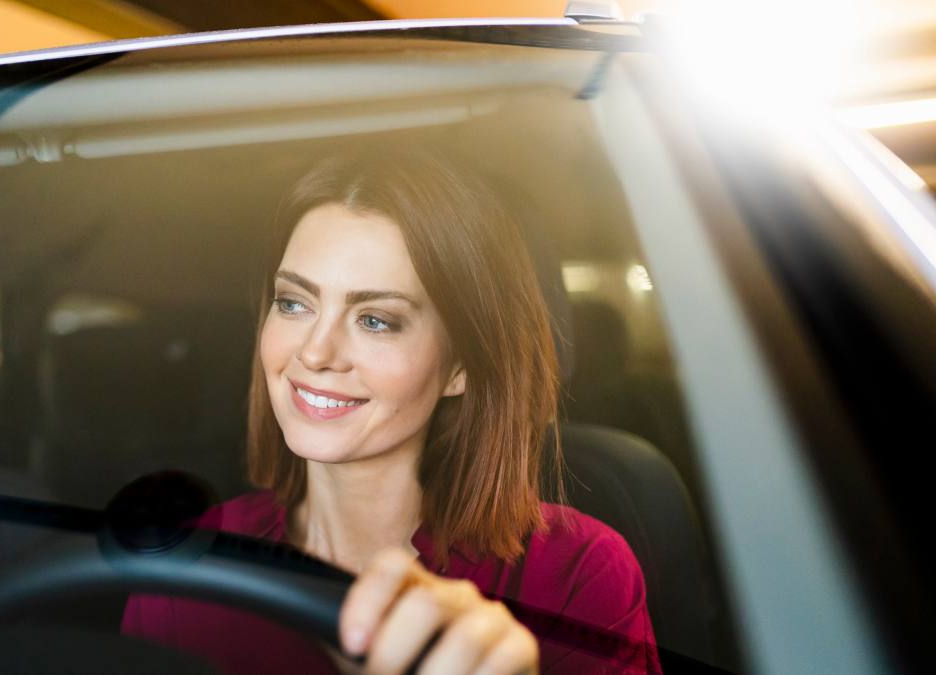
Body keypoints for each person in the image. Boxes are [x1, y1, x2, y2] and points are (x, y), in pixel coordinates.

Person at [121, 147, 661, 674]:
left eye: (376, 319)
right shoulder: (185, 567)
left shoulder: (574, 575)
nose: (314, 352)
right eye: (294, 304)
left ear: (460, 366)